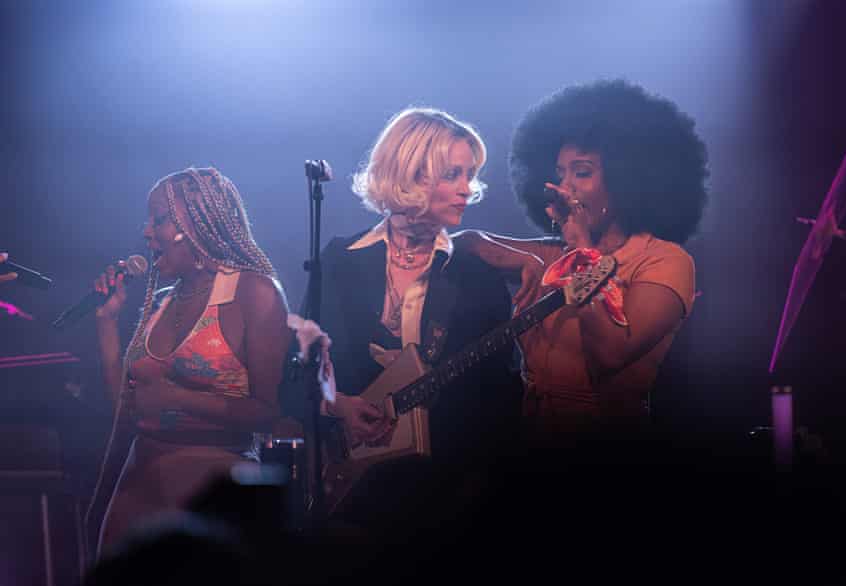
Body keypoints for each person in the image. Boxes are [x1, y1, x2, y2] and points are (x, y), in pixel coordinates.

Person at [295, 107, 520, 538]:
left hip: (444, 499)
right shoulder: (339, 261)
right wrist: (338, 405)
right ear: (412, 174)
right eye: (453, 174)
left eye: (470, 175)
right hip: (348, 491)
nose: (467, 190)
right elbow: (296, 371)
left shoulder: (476, 275)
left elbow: (499, 399)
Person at [454, 79, 708, 439]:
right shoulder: (550, 254)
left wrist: (581, 250)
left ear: (627, 180)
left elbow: (609, 354)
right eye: (560, 174)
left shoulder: (665, 261)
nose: (565, 187)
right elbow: (459, 242)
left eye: (582, 172)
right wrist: (521, 260)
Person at [86, 167, 293, 556]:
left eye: (159, 219)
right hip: (138, 486)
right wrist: (107, 322)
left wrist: (178, 399)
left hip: (215, 492)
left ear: (200, 221)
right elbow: (122, 409)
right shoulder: (163, 302)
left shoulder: (253, 291)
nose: (147, 231)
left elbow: (270, 412)